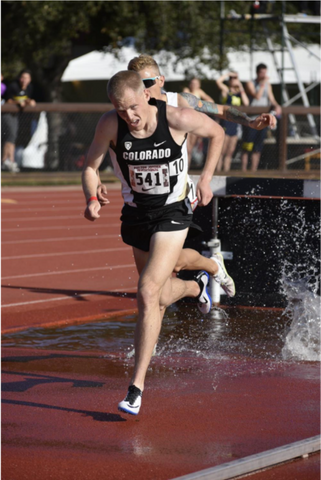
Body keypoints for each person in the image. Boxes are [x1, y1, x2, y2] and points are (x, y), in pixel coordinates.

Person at [82, 70, 235, 415]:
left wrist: (206, 179)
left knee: (147, 292)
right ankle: (197, 285)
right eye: (120, 110)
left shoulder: (177, 117)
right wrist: (91, 196)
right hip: (137, 215)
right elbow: (90, 166)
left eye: (133, 108)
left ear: (147, 96)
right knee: (163, 293)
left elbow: (217, 131)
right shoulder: (110, 124)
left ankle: (135, 388)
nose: (129, 117)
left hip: (173, 212)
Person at [241, 63, 281, 172]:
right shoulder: (251, 83)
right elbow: (257, 96)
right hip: (251, 119)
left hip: (263, 120)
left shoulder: (268, 85)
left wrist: (277, 106)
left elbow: (271, 99)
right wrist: (262, 84)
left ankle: (253, 170)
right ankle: (243, 170)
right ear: (258, 73)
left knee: (257, 147)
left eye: (265, 72)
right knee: (247, 146)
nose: (264, 75)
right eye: (262, 72)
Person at [2, 69, 37, 173]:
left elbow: (26, 98)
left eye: (26, 78)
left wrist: (29, 101)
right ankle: (5, 160)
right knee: (10, 135)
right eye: (22, 77)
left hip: (16, 115)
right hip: (6, 113)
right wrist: (18, 102)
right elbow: (8, 99)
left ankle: (10, 160)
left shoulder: (29, 87)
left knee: (12, 136)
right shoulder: (13, 86)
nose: (24, 80)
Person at [216, 71, 249, 172]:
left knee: (230, 152)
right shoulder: (226, 90)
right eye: (232, 78)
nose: (234, 80)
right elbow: (218, 82)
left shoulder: (239, 93)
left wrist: (241, 87)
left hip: (235, 124)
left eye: (236, 78)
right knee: (222, 151)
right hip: (225, 122)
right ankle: (218, 172)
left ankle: (226, 171)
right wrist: (227, 74)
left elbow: (246, 103)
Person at [183, 77, 215, 165]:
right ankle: (184, 169)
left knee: (190, 149)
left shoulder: (199, 92)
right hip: (185, 121)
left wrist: (200, 104)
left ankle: (187, 169)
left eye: (196, 84)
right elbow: (187, 100)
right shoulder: (186, 90)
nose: (194, 85)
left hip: (194, 121)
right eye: (192, 83)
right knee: (185, 148)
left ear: (199, 85)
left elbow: (211, 101)